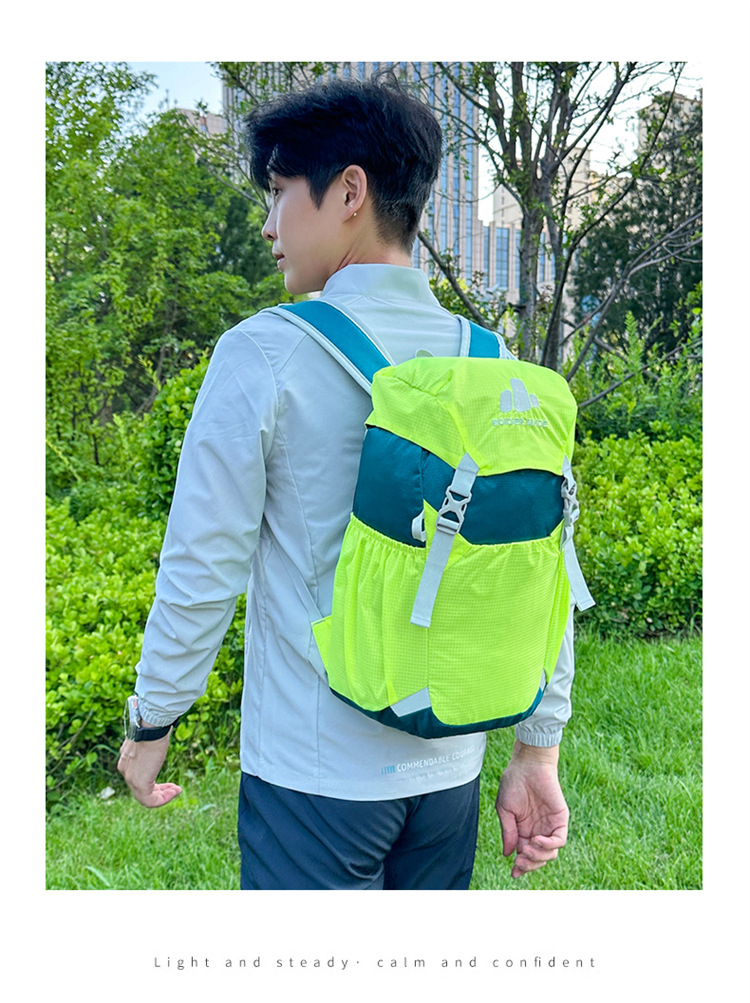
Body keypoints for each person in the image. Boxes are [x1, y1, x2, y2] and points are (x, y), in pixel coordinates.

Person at [118, 71, 574, 889]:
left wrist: (154, 716)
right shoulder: (498, 365)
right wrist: (537, 747)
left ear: (349, 193)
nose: (268, 225)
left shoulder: (264, 352)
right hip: (451, 767)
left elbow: (203, 563)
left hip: (313, 774)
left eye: (279, 193)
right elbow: (544, 562)